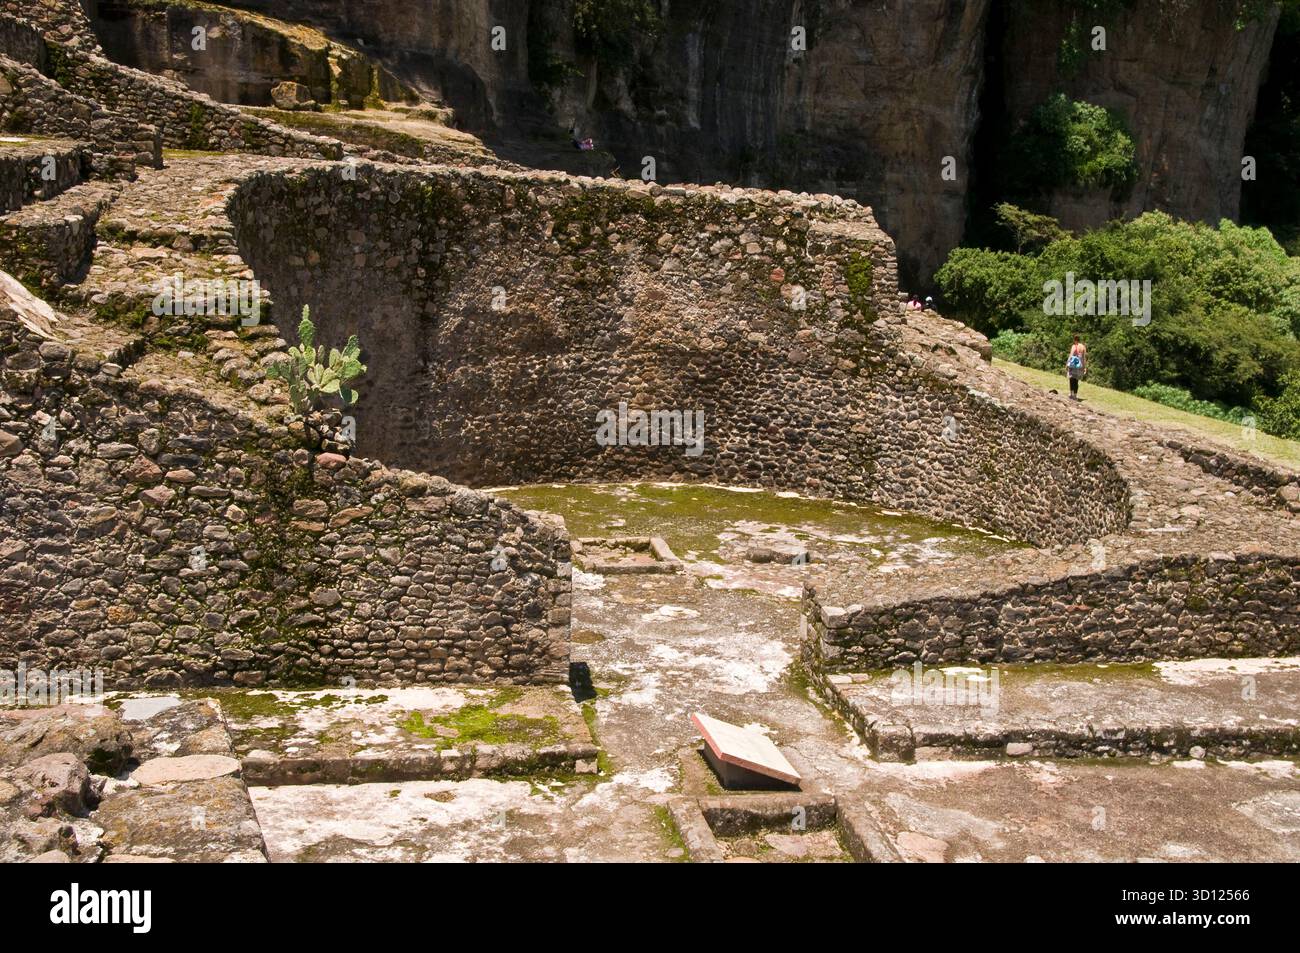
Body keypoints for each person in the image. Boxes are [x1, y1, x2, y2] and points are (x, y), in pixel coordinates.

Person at [1066, 335, 1087, 400]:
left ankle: (1071, 394)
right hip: (1079, 365)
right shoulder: (1083, 347)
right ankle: (1075, 395)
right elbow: (1084, 358)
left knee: (1071, 379)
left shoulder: (1074, 346)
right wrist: (1084, 367)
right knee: (1076, 381)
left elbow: (1071, 355)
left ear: (1074, 340)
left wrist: (1067, 364)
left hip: (1073, 365)